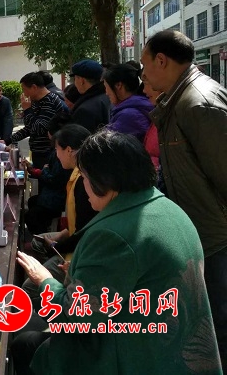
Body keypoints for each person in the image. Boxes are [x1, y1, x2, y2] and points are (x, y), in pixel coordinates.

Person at [13, 130, 221, 374]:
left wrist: (44, 280)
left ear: (104, 180)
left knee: (24, 342)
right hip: (171, 347)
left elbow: (78, 317)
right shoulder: (168, 208)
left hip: (136, 354)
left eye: (85, 177)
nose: (83, 185)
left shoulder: (113, 234)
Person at [142, 29, 227, 367]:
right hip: (200, 232)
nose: (143, 74)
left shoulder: (198, 103)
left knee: (219, 326)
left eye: (145, 64)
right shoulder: (177, 101)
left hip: (217, 237)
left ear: (161, 61)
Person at [23, 124, 97, 299]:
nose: (56, 155)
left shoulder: (83, 181)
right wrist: (63, 234)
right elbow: (81, 223)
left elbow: (85, 231)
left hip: (80, 251)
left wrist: (56, 246)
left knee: (29, 288)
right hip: (75, 237)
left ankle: (61, 293)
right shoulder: (79, 173)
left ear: (69, 150)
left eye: (57, 149)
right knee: (38, 241)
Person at [22, 112, 74, 237]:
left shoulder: (60, 153)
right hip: (54, 195)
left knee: (31, 215)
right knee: (32, 202)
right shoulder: (62, 149)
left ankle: (42, 238)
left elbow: (54, 178)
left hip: (56, 199)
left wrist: (43, 171)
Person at [9, 72, 68, 169]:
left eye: (24, 90)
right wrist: (9, 140)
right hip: (37, 152)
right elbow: (30, 128)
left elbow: (39, 128)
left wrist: (27, 110)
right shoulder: (35, 102)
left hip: (48, 153)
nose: (24, 94)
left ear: (34, 87)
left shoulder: (50, 101)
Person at [102, 63, 153, 143]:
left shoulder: (128, 116)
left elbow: (108, 145)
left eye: (106, 87)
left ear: (118, 85)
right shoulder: (137, 107)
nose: (106, 93)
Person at [69, 59, 111, 133]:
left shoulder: (85, 110)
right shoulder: (107, 97)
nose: (75, 83)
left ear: (82, 81)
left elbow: (80, 137)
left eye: (75, 79)